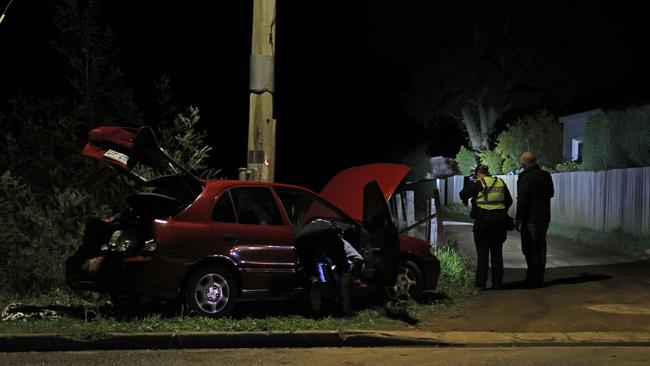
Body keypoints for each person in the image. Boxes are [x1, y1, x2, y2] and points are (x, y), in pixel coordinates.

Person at [460, 164, 513, 295]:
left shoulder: (480, 183)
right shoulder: (500, 182)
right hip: (500, 223)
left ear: (479, 174)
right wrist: (499, 210)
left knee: (482, 254)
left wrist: (469, 184)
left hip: (483, 222)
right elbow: (509, 200)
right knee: (497, 252)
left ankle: (480, 285)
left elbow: (463, 195)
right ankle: (497, 284)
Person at [515, 151, 555, 288]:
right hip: (544, 217)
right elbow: (551, 193)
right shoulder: (546, 175)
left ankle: (533, 277)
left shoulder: (525, 178)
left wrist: (518, 218)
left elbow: (522, 200)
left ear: (524, 162)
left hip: (530, 218)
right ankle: (539, 276)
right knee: (541, 246)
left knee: (529, 247)